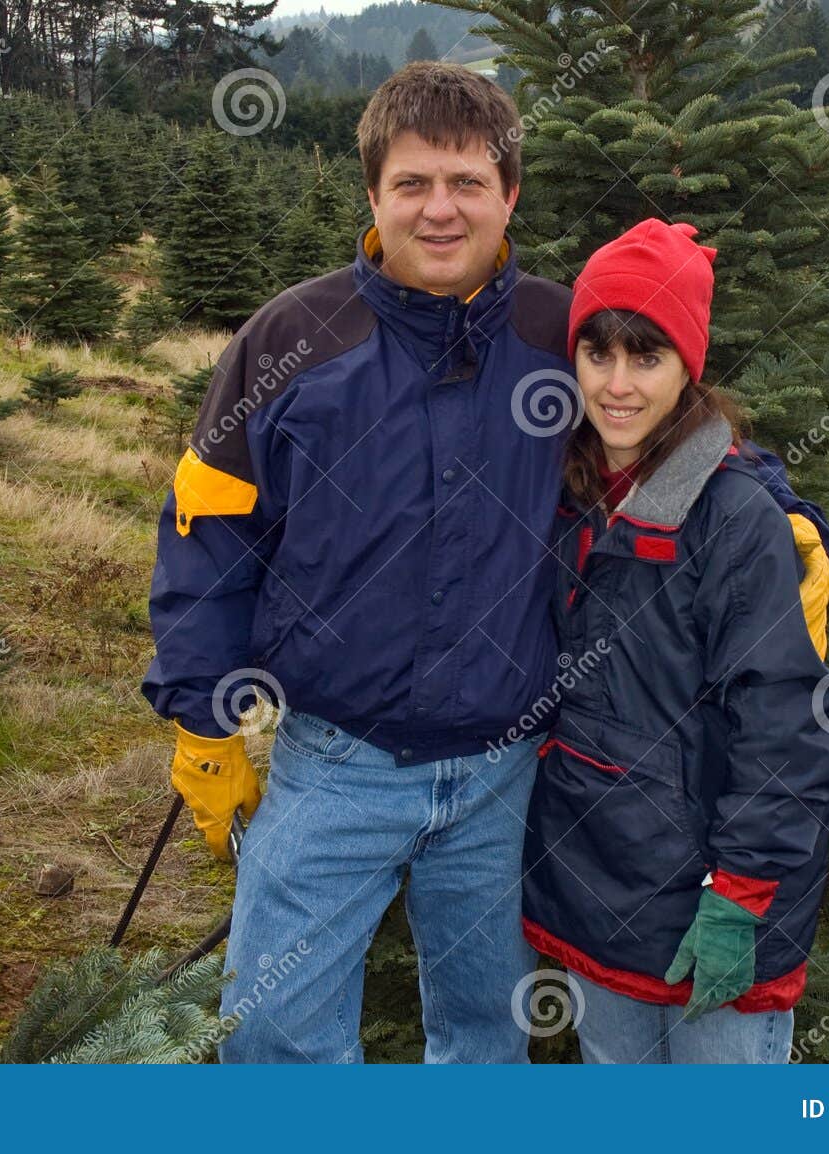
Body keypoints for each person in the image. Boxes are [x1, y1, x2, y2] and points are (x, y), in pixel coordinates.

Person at [140, 61, 573, 1062]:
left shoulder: (561, 332)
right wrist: (205, 723)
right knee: (276, 1037)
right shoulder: (293, 338)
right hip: (333, 762)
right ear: (374, 195)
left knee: (487, 1040)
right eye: (413, 183)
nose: (439, 208)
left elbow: (671, 431)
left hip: (506, 768)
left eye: (467, 182)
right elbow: (207, 530)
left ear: (509, 193)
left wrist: (778, 520)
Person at [519, 217, 829, 1064]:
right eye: (598, 354)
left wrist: (740, 897)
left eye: (647, 356)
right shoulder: (565, 492)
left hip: (713, 896)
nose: (618, 384)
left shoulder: (734, 516)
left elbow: (787, 725)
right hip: (595, 888)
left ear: (689, 367)